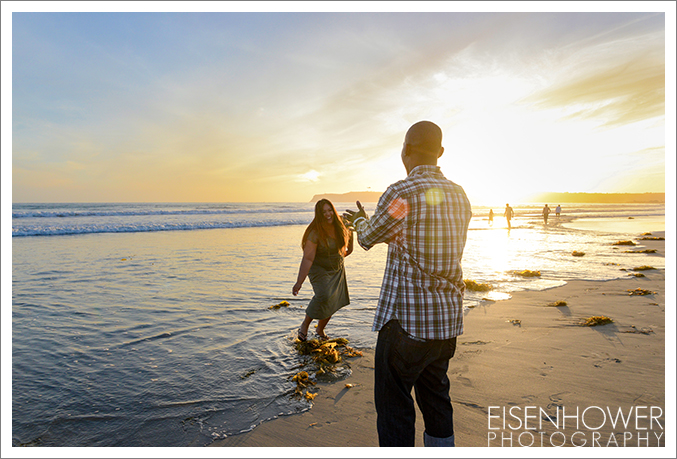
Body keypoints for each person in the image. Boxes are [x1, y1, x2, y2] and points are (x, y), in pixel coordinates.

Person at [344, 121, 472, 447]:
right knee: (436, 400)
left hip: (407, 324)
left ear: (406, 149)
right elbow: (423, 237)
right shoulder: (459, 195)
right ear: (440, 152)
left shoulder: (402, 193)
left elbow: (369, 237)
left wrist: (359, 221)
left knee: (395, 409)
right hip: (446, 322)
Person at [292, 199, 353, 341]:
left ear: (333, 210)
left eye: (330, 210)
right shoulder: (315, 233)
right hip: (318, 268)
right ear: (318, 214)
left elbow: (349, 247)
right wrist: (299, 282)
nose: (328, 214)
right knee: (324, 296)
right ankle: (305, 325)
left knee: (333, 300)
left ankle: (320, 330)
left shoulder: (342, 224)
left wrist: (339, 257)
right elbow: (308, 259)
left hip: (336, 268)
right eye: (323, 212)